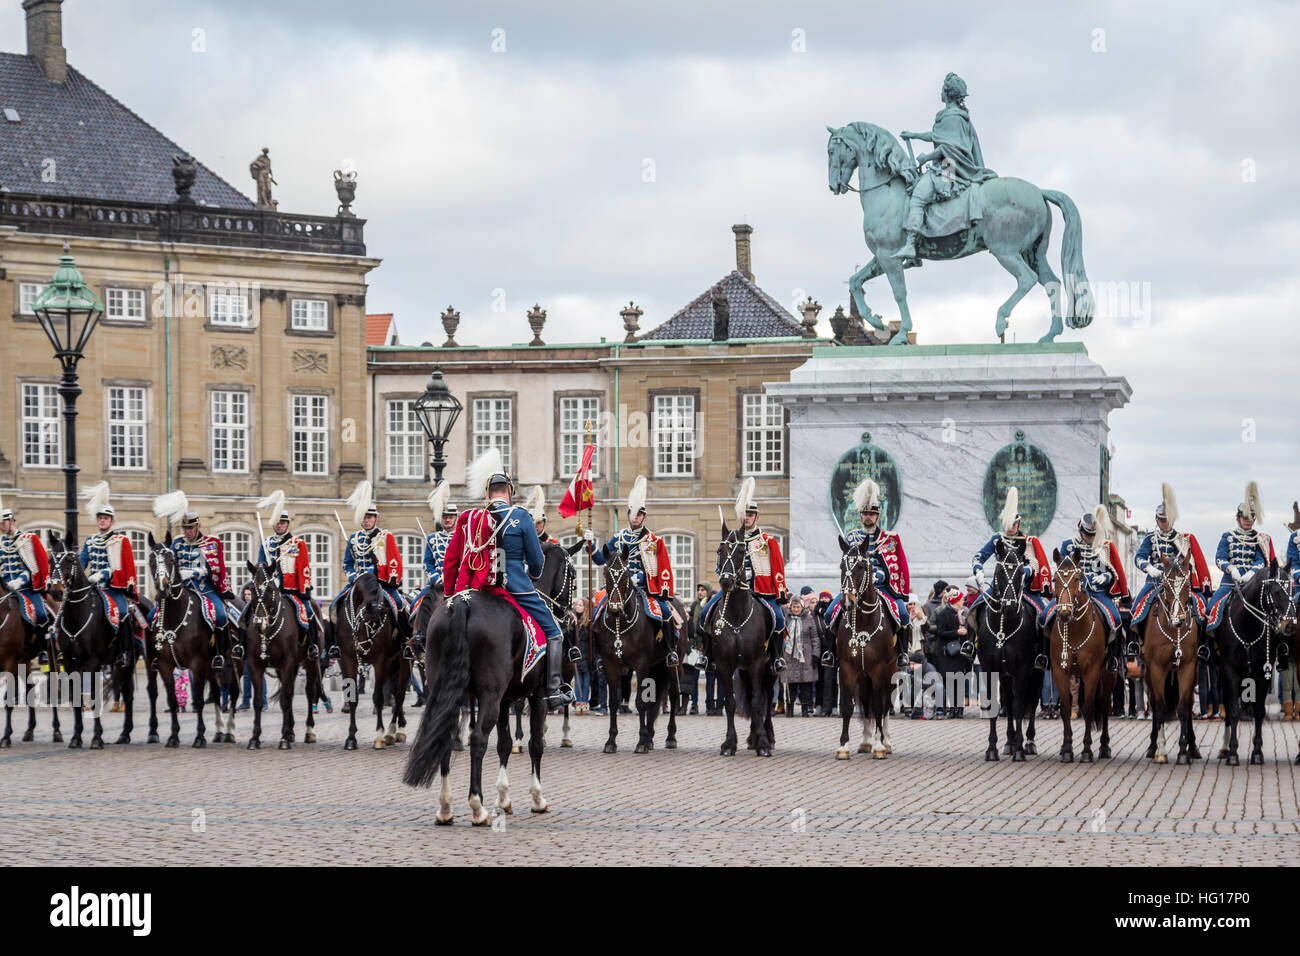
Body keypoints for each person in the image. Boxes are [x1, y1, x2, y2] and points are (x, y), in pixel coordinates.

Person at [443, 449, 574, 708]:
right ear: (509, 491)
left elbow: (452, 561)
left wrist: (451, 594)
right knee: (555, 632)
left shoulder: (469, 518)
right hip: (517, 588)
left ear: (488, 492)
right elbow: (537, 561)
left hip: (474, 588)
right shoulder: (522, 517)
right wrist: (534, 575)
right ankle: (553, 689)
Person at [895, 72, 997, 261]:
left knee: (917, 198)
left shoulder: (952, 117)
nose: (940, 92)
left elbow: (947, 148)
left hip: (949, 168)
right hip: (950, 164)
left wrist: (926, 158)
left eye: (942, 89)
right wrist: (914, 135)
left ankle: (910, 247)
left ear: (947, 93)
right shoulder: (954, 116)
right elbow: (937, 136)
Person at [584, 475, 681, 666]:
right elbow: (601, 560)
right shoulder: (619, 537)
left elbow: (661, 569)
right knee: (597, 613)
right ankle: (599, 656)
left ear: (644, 517)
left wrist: (639, 577)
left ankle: (671, 651)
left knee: (665, 612)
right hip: (619, 589)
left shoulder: (653, 541)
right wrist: (591, 545)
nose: (635, 517)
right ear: (628, 515)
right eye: (633, 514)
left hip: (644, 588)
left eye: (639, 514)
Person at [701, 478, 790, 673]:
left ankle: (776, 658)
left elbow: (778, 569)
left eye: (751, 514)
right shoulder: (730, 539)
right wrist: (725, 576)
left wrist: (781, 591)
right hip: (733, 589)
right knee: (704, 614)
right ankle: (707, 655)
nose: (747, 518)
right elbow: (720, 565)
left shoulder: (767, 540)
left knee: (779, 619)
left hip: (761, 591)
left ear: (756, 517)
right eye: (745, 514)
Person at [824, 478, 910, 668]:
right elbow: (848, 563)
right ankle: (830, 652)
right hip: (854, 586)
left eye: (872, 514)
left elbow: (897, 566)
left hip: (882, 587)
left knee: (903, 614)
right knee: (830, 612)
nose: (868, 517)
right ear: (861, 516)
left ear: (878, 516)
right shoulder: (852, 537)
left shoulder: (889, 539)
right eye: (865, 514)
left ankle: (902, 653)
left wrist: (876, 576)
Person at [969, 487, 1053, 669]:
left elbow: (1035, 564)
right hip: (999, 585)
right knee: (976, 606)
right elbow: (978, 556)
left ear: (1018, 523)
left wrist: (1024, 572)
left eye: (1014, 525)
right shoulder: (997, 540)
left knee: (1042, 614)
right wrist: (979, 571)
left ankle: (1041, 653)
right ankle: (970, 643)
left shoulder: (1027, 541)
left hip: (1022, 587)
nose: (1011, 529)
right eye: (1008, 525)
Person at [1128, 483, 1211, 660]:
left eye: (1168, 520)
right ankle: (1134, 643)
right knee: (1136, 609)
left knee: (1201, 605)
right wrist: (1149, 568)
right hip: (1154, 583)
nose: (1165, 524)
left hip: (1177, 584)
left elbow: (1190, 563)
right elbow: (1139, 558)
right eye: (1162, 520)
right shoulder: (1151, 538)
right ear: (1157, 520)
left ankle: (1203, 645)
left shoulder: (1182, 539)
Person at [1040, 507, 1129, 657]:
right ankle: (1043, 655)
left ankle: (1114, 658)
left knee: (1116, 618)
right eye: (1087, 534)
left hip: (1097, 592)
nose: (1090, 537)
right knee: (1044, 616)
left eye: (1092, 534)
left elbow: (1111, 571)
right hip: (1071, 592)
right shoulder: (1068, 545)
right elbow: (1061, 567)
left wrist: (1104, 577)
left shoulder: (1103, 546)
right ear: (1080, 530)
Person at [160, 498, 234, 670]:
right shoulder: (177, 543)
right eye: (185, 528)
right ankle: (158, 655)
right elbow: (170, 566)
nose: (187, 532)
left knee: (221, 615)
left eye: (190, 528)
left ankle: (219, 654)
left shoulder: (211, 543)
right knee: (154, 616)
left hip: (205, 589)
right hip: (183, 590)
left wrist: (193, 572)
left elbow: (215, 568)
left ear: (198, 527)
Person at [77, 483, 146, 667]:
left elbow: (121, 566)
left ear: (112, 521)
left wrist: (102, 574)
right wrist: (76, 573)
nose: (102, 521)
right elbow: (82, 561)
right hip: (93, 588)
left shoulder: (120, 540)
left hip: (113, 588)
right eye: (100, 518)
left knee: (123, 614)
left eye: (106, 518)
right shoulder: (90, 540)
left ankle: (124, 652)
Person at [257, 489, 331, 660]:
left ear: (288, 524)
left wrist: (303, 590)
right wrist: (267, 576)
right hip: (270, 591)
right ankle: (244, 645)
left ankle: (312, 644)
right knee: (249, 611)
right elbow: (260, 565)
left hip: (292, 590)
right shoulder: (266, 544)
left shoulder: (297, 544)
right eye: (277, 522)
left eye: (283, 522)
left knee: (307, 611)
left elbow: (304, 568)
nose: (280, 525)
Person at [334, 481, 411, 646]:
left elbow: (394, 561)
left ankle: (406, 639)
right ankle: (335, 644)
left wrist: (372, 573)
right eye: (364, 517)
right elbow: (347, 564)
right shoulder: (354, 539)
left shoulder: (384, 537)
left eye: (369, 517)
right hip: (358, 583)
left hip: (380, 583)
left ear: (376, 518)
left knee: (399, 604)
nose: (366, 521)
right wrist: (353, 576)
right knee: (336, 603)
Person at [1206, 481, 1276, 640]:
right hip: (1229, 583)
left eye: (1251, 517)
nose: (1248, 520)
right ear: (1237, 518)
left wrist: (1251, 572)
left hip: (1251, 583)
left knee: (1272, 611)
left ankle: (1276, 649)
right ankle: (1206, 647)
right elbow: (1219, 558)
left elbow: (1261, 560)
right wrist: (1232, 569)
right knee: (1211, 610)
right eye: (1244, 517)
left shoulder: (1258, 539)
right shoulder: (1228, 536)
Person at [0, 496, 52, 664]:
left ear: (11, 521)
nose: (1, 527)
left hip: (26, 588)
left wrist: (20, 580)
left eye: (3, 523)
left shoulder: (26, 540)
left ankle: (43, 649)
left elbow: (33, 567)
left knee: (42, 614)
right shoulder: (1, 543)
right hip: (6, 587)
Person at [411, 482, 456, 656]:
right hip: (437, 584)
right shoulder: (432, 539)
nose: (447, 519)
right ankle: (418, 636)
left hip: (456, 583)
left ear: (456, 518)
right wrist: (436, 577)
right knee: (416, 604)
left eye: (450, 516)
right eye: (444, 516)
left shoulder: (462, 537)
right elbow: (427, 563)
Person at [782, 590, 821, 717]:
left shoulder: (809, 618)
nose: (796, 609)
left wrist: (816, 654)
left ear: (802, 606)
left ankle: (805, 709)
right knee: (791, 684)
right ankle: (790, 709)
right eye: (794, 606)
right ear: (791, 607)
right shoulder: (785, 618)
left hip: (806, 656)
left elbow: (815, 638)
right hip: (789, 656)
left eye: (798, 606)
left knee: (806, 685)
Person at [815, 589, 837, 716]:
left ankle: (830, 707)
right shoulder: (815, 614)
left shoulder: (833, 614)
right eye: (822, 598)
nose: (823, 600)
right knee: (820, 680)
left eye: (826, 598)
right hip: (818, 651)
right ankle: (819, 705)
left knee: (831, 680)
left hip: (831, 650)